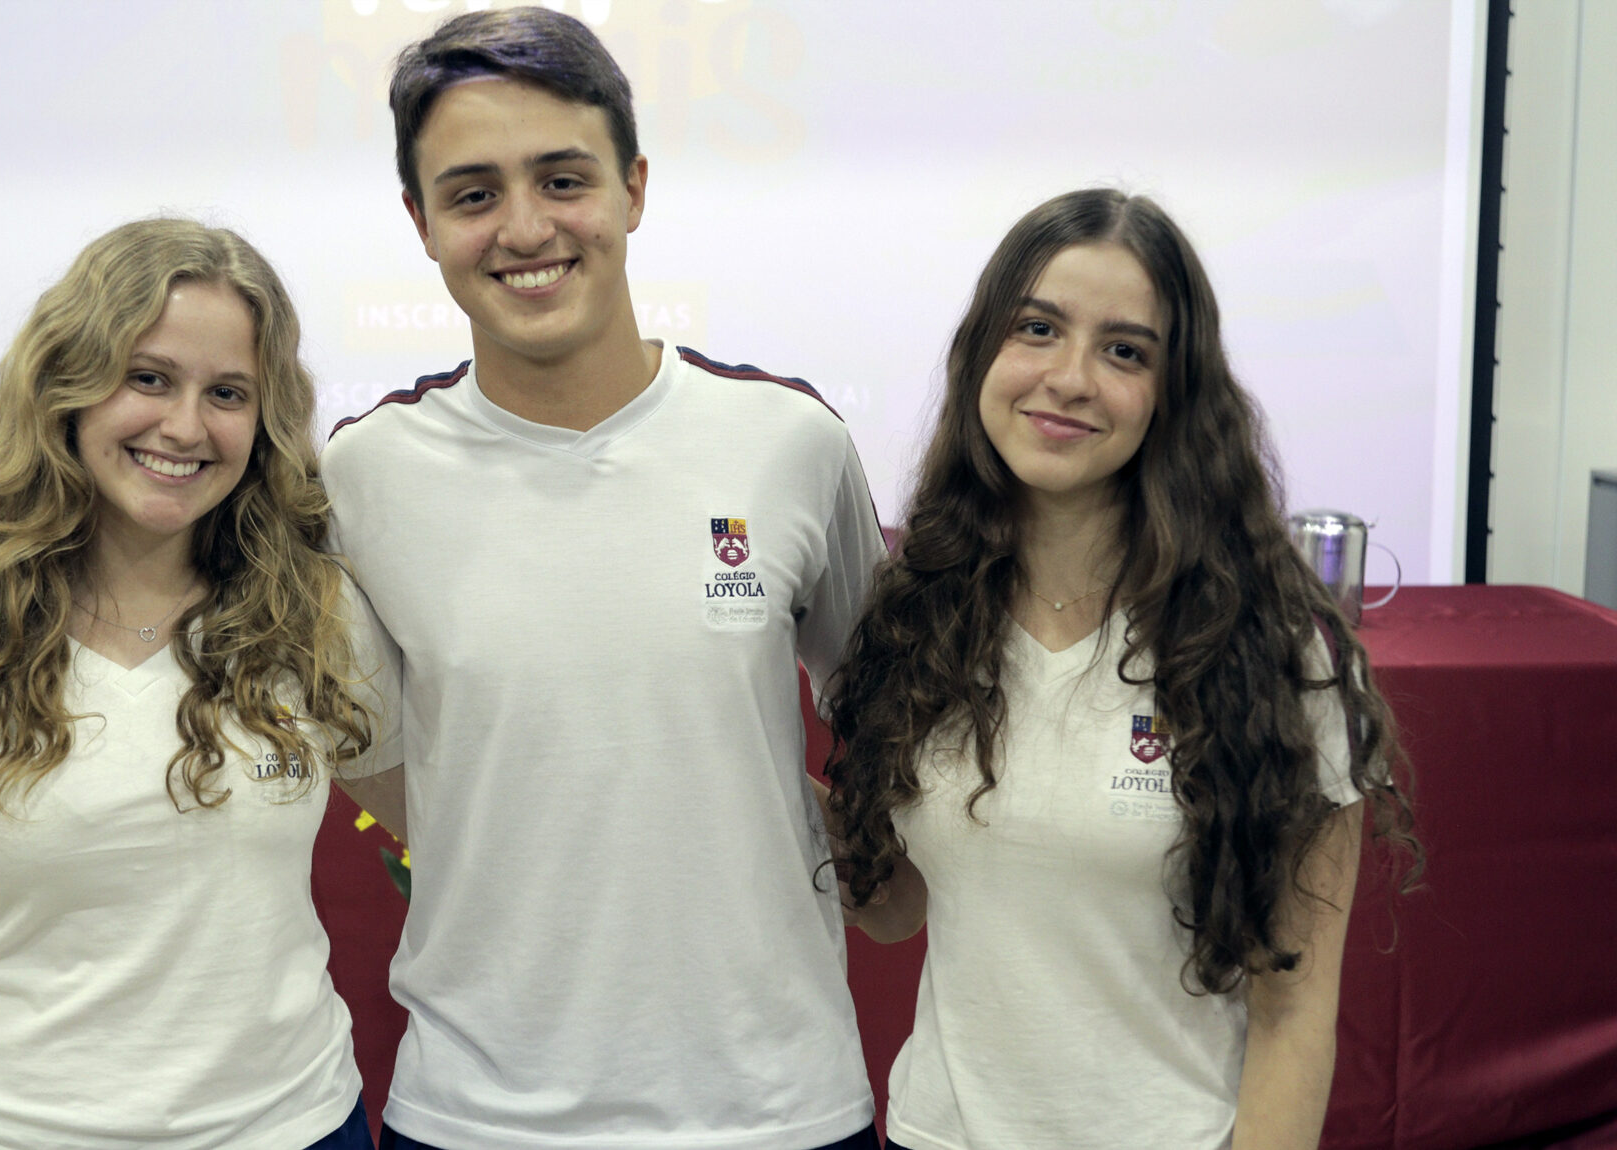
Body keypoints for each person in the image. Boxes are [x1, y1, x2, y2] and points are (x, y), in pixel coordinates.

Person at [317, 7, 888, 1149]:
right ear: (420, 222)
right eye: (472, 194)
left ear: (632, 188)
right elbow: (375, 754)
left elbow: (891, 713)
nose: (525, 228)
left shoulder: (789, 442)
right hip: (476, 1113)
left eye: (562, 179)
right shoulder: (363, 475)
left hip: (775, 1108)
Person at [820, 188, 1421, 1150]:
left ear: (1175, 394)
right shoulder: (920, 615)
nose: (1069, 378)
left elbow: (1294, 1013)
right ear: (982, 354)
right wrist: (749, 769)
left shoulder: (1269, 654)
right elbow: (897, 912)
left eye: (1125, 351)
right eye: (1037, 328)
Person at [0, 219, 397, 1150]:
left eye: (228, 393)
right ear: (67, 387)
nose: (185, 426)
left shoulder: (315, 613)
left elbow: (447, 828)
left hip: (289, 1127)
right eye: (148, 377)